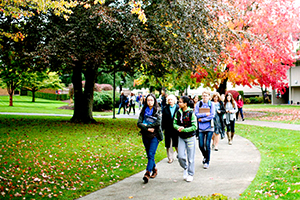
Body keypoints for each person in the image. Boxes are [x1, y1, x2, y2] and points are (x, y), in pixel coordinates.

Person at [137, 94, 163, 183]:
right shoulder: (143, 110)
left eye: (151, 100)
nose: (149, 102)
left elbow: (158, 123)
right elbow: (139, 123)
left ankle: (147, 173)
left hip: (155, 136)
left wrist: (147, 125)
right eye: (148, 100)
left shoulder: (158, 110)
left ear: (154, 101)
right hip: (145, 135)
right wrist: (147, 128)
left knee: (151, 153)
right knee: (149, 154)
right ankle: (154, 169)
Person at [173, 96, 197, 182]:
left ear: (185, 104)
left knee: (190, 157)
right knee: (180, 156)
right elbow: (174, 123)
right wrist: (178, 127)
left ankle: (190, 174)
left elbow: (195, 127)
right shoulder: (178, 113)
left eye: (180, 102)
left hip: (190, 137)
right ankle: (185, 168)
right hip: (181, 137)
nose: (178, 103)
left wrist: (185, 129)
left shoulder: (191, 113)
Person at [194, 90, 215, 169]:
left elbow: (212, 115)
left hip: (209, 127)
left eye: (206, 95)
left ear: (209, 96)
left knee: (207, 144)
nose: (205, 97)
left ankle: (207, 161)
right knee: (201, 145)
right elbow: (196, 114)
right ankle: (205, 156)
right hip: (200, 128)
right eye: (203, 95)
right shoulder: (198, 104)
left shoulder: (211, 104)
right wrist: (205, 114)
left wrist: (202, 119)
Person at [162, 94, 179, 164]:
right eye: (169, 100)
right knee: (168, 144)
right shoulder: (165, 108)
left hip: (176, 128)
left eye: (171, 99)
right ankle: (170, 157)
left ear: (174, 100)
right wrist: (162, 128)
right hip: (168, 128)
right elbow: (163, 119)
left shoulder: (178, 108)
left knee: (176, 143)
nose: (170, 101)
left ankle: (180, 155)